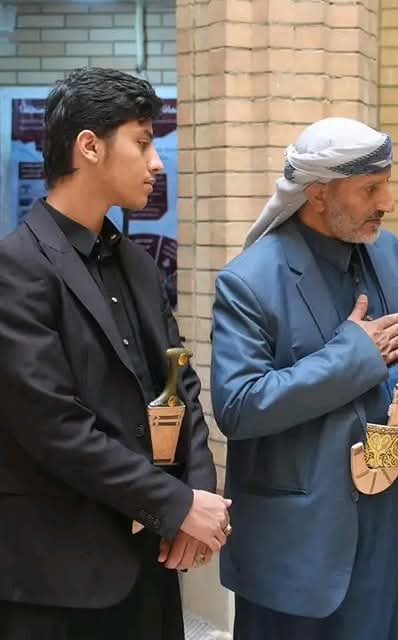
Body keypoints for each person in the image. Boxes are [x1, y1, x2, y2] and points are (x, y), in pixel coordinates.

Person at [0, 67, 228, 640]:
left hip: (150, 560)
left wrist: (198, 494)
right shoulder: (17, 267)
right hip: (59, 578)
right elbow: (54, 427)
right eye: (143, 143)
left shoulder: (137, 263)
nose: (157, 163)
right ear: (90, 146)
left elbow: (181, 384)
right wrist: (176, 503)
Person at [211, 117, 398, 639]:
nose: (387, 202)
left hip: (397, 520)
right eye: (370, 189)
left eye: (387, 184)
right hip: (306, 544)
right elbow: (238, 406)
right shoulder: (250, 281)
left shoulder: (387, 251)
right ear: (319, 193)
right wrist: (352, 356)